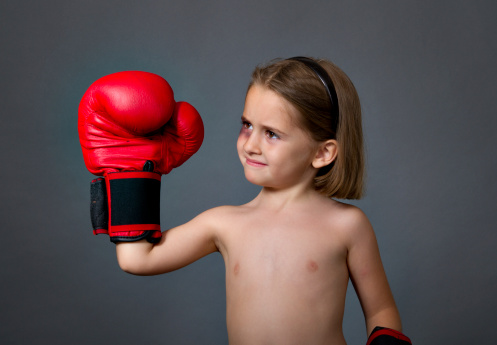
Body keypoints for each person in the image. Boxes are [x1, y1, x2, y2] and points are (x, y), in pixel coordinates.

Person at [79, 59, 411, 345]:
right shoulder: (223, 223)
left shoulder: (347, 225)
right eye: (247, 125)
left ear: (322, 153)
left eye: (272, 133)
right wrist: (130, 168)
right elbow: (137, 260)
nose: (251, 144)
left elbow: (381, 310)